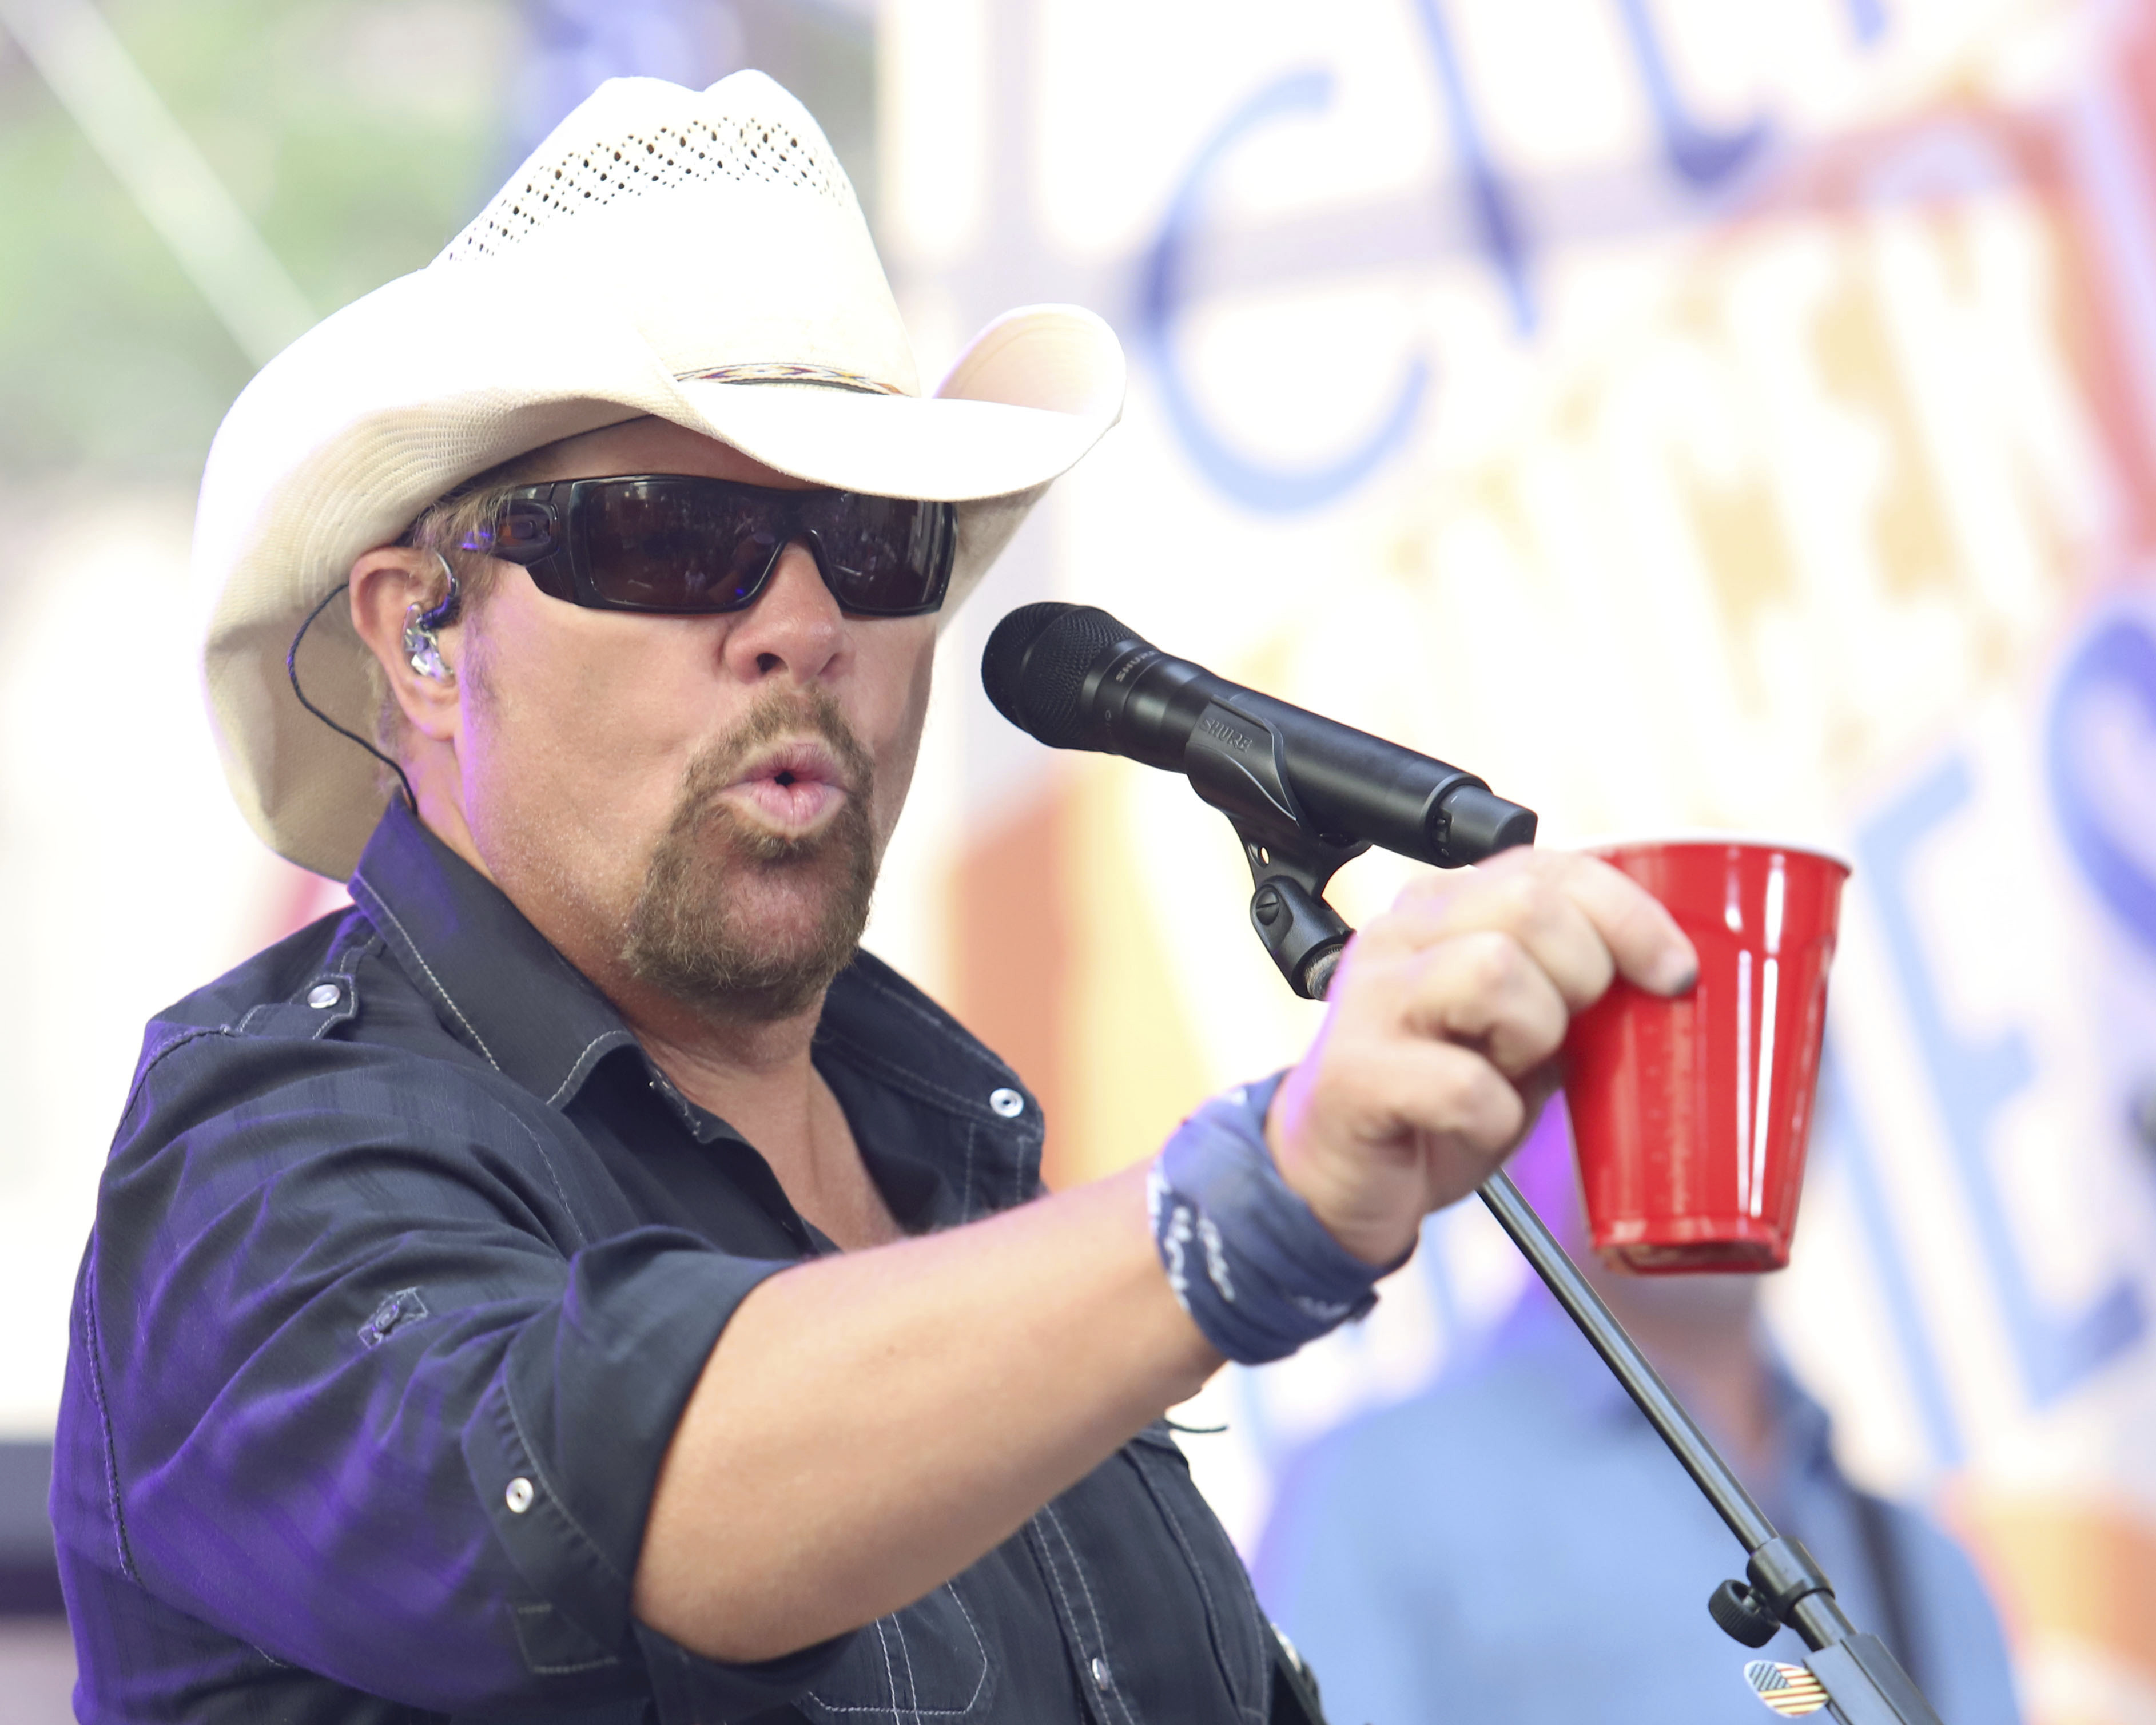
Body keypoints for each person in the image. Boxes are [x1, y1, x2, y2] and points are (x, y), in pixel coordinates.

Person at [49, 72, 1697, 1724]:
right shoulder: (265, 1155)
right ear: (424, 634)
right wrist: (1252, 1211)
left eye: (872, 541)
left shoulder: (954, 1154)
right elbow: (618, 1504)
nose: (798, 621)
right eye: (673, 540)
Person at [1253, 1108, 2023, 1725]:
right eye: (1648, 1060)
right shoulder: (1374, 1497)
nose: (1698, 1111)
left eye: (1746, 1053)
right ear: (1523, 1107)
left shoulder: (1925, 1564)